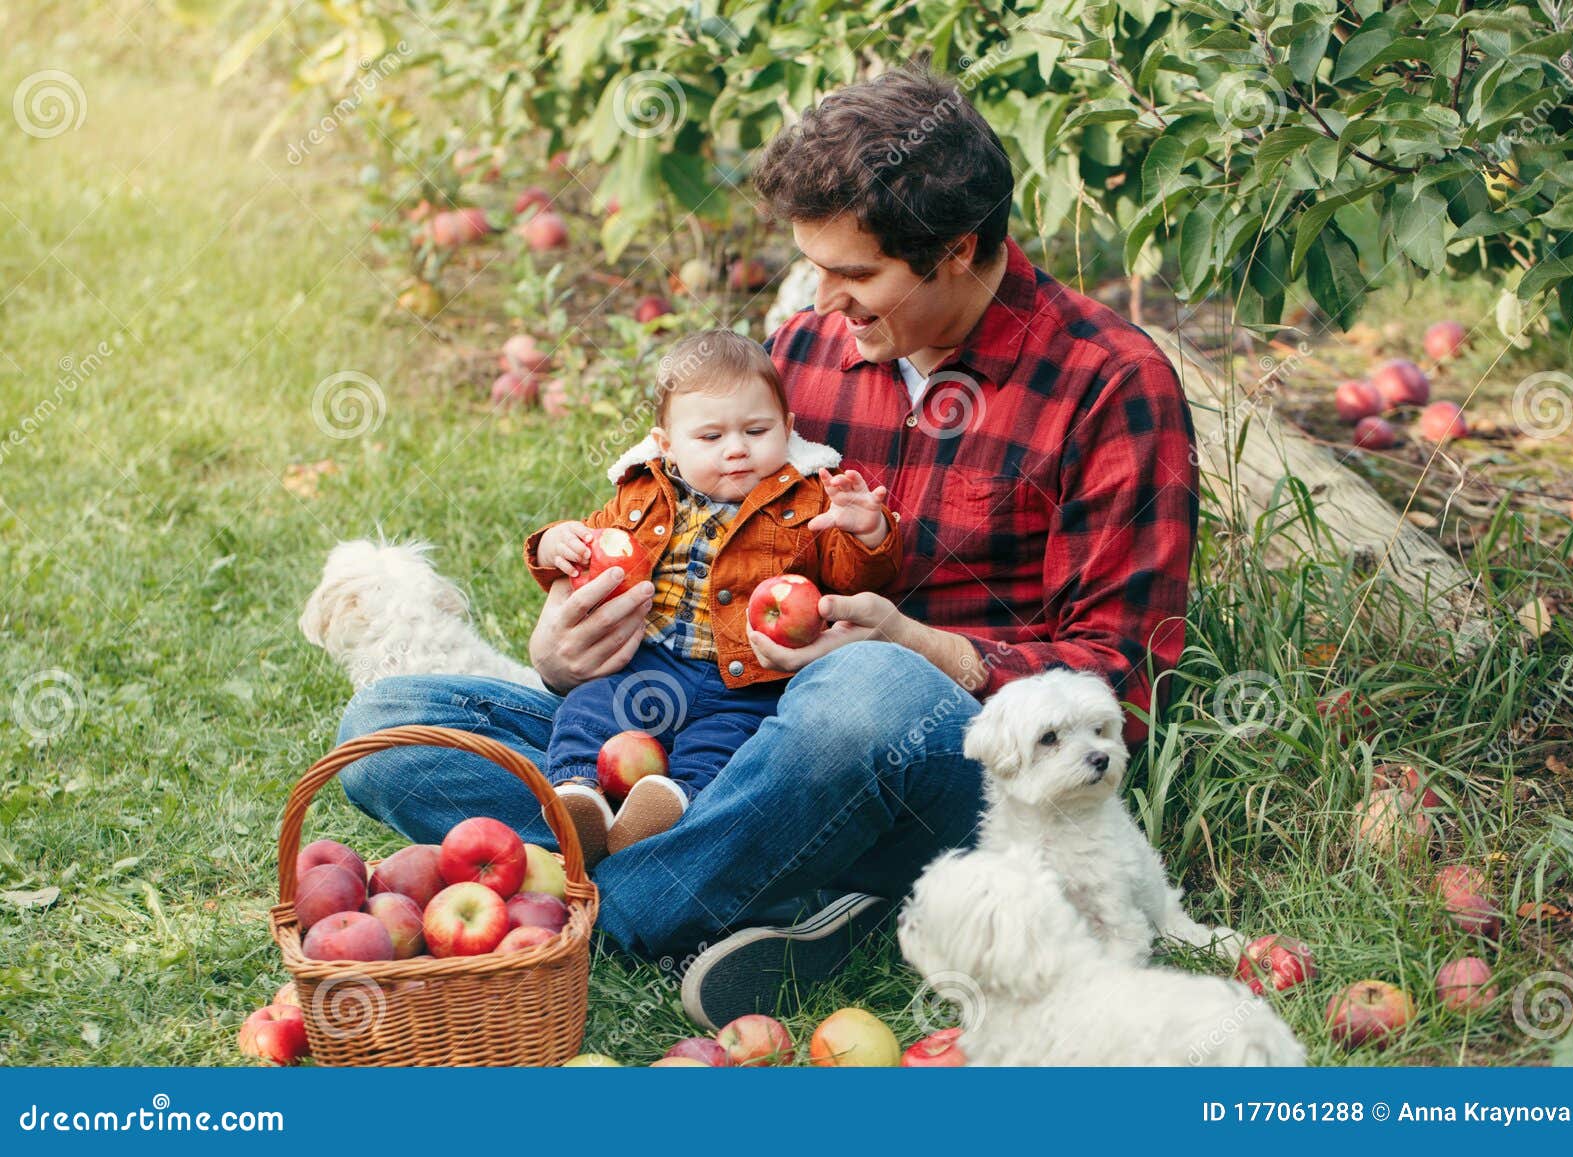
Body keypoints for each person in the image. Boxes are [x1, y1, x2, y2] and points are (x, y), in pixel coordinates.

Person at [334, 64, 1199, 1031]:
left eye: (856, 274)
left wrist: (919, 646)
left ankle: (591, 915)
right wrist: (563, 651)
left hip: (948, 763)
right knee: (388, 724)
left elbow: (1121, 685)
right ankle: (779, 891)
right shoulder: (805, 353)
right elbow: (686, 531)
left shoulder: (1108, 384)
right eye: (814, 265)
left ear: (958, 250)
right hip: (736, 732)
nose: (824, 299)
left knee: (863, 688)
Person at [525, 329, 902, 867]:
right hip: (645, 664)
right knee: (587, 712)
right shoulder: (643, 494)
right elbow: (589, 549)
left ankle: (669, 807)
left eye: (756, 429)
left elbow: (854, 575)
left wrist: (867, 533)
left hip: (745, 681)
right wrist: (551, 544)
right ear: (667, 445)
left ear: (788, 428)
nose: (736, 449)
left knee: (726, 748)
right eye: (710, 437)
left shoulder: (810, 497)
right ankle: (579, 798)